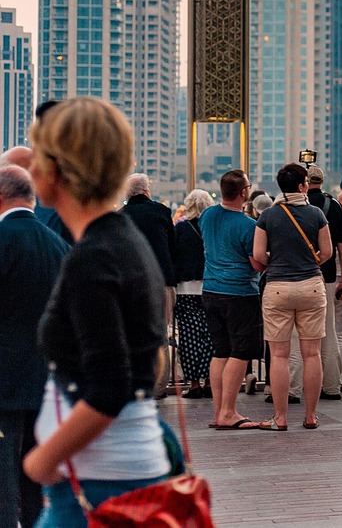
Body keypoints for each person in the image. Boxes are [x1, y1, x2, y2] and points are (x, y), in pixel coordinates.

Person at [22, 98, 171, 523]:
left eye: (38, 156)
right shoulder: (121, 238)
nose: (31, 170)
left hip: (98, 483)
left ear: (57, 170)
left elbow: (109, 387)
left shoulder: (95, 255)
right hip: (115, 470)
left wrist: (39, 464)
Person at [0, 164, 70, 528]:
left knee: (2, 469)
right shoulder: (57, 244)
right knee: (32, 467)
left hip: (4, 377)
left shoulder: (2, 239)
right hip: (43, 377)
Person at [255, 162, 333, 430]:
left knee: (279, 355)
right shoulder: (317, 215)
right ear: (303, 186)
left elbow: (257, 255)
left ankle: (280, 417)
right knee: (311, 354)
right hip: (311, 284)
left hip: (277, 287)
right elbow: (328, 252)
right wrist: (307, 265)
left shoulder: (268, 216)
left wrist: (278, 262)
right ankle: (310, 415)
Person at [201, 169, 267, 431]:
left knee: (220, 352)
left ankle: (219, 411)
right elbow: (257, 263)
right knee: (240, 353)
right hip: (240, 292)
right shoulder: (248, 225)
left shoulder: (207, 215)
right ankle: (229, 412)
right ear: (244, 193)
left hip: (211, 290)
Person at [120, 173, 178, 399]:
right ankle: (159, 387)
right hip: (162, 280)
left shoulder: (121, 216)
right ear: (146, 191)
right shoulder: (161, 212)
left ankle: (137, 384)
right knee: (161, 335)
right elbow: (172, 248)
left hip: (131, 285)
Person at [302, 166, 342, 402]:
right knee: (329, 331)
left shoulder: (294, 206)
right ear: (323, 181)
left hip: (299, 274)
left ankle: (295, 387)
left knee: (297, 337)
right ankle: (332, 386)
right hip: (328, 275)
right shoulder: (335, 206)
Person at [173, 189, 215, 399]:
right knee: (210, 336)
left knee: (189, 337)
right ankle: (210, 381)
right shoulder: (211, 228)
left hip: (185, 288)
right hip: (210, 287)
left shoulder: (180, 228)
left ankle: (193, 383)